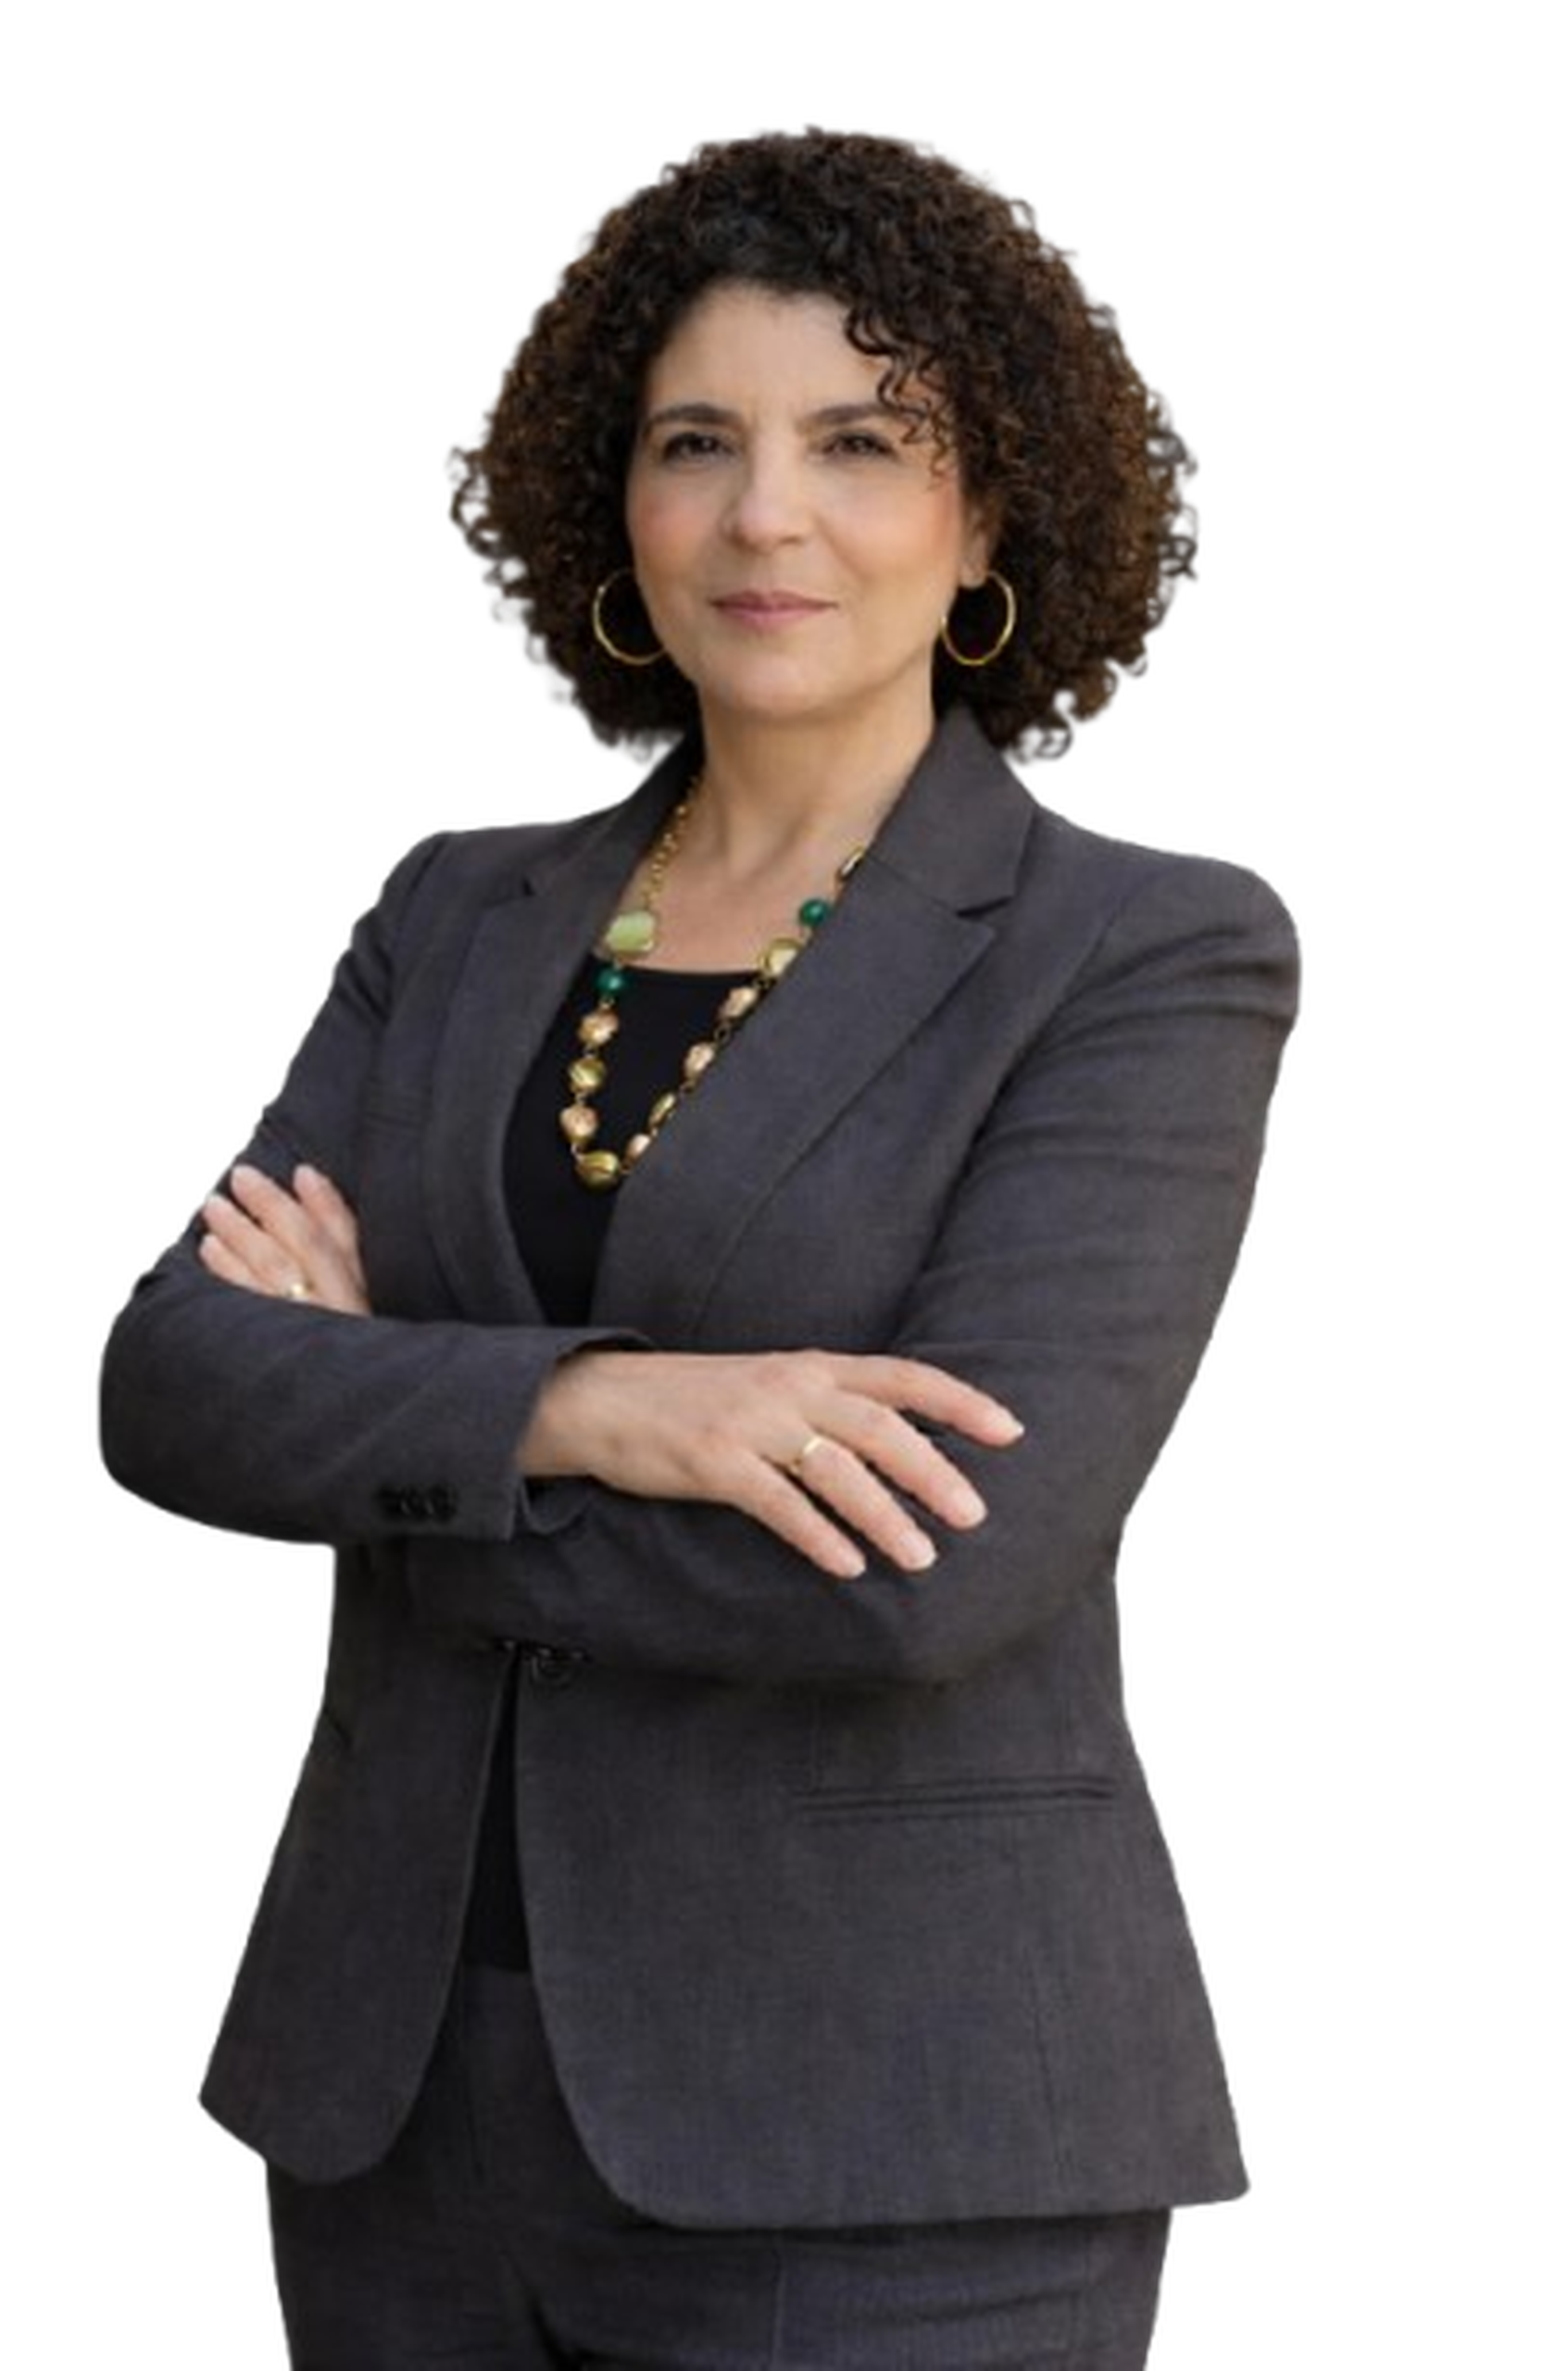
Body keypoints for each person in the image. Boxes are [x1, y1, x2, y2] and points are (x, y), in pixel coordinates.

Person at [98, 125, 1306, 2369]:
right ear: (613, 511)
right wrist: (604, 1408)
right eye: (695, 444)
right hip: (397, 2114)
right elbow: (175, 1379)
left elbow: (934, 1561)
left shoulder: (1142, 948)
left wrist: (387, 1433)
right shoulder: (452, 907)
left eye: (861, 440)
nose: (766, 513)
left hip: (891, 2140)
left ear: (989, 516)